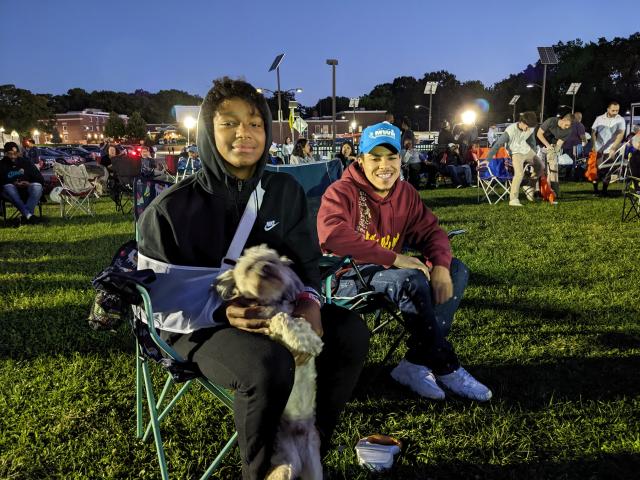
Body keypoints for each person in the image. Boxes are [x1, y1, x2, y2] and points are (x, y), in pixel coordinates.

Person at [137, 77, 369, 480]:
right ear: (209, 131)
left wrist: (311, 300)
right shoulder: (169, 210)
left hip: (277, 309)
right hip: (195, 324)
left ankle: (307, 448)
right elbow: (155, 302)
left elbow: (305, 259)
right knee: (268, 363)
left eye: (255, 124)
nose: (244, 133)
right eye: (229, 123)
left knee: (349, 331)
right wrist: (223, 311)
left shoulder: (284, 190)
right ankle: (263, 471)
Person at [317, 122, 491, 402]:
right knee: (410, 280)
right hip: (346, 277)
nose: (384, 166)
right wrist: (395, 258)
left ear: (401, 158)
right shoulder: (341, 192)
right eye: (375, 158)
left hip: (390, 275)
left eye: (391, 157)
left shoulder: (405, 193)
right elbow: (334, 235)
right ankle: (446, 365)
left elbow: (432, 232)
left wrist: (441, 266)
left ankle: (415, 363)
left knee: (457, 270)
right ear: (360, 160)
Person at [486, 111, 542, 207]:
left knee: (540, 166)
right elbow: (498, 144)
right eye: (527, 127)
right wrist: (488, 158)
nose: (528, 129)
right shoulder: (510, 131)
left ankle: (529, 186)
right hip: (515, 152)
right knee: (519, 173)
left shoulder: (530, 127)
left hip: (526, 149)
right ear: (522, 122)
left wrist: (533, 153)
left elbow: (532, 140)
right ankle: (513, 199)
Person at [1, 141, 44, 224]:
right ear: (5, 153)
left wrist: (28, 183)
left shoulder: (26, 162)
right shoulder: (2, 164)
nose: (13, 156)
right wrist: (14, 183)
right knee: (9, 187)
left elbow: (39, 178)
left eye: (15, 153)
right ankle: (29, 216)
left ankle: (26, 216)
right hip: (10, 192)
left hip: (27, 189)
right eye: (10, 154)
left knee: (37, 186)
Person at [591, 101, 626, 196]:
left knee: (609, 169)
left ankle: (604, 190)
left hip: (611, 148)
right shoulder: (599, 119)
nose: (615, 112)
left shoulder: (620, 120)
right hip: (599, 147)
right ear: (608, 109)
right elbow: (593, 132)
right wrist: (594, 145)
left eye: (617, 110)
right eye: (613, 110)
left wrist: (614, 147)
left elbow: (621, 134)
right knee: (596, 169)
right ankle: (595, 190)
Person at [536, 112, 573, 198]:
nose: (567, 128)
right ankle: (537, 191)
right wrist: (547, 146)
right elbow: (539, 134)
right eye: (566, 125)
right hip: (540, 145)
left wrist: (554, 152)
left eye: (569, 126)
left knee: (553, 168)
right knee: (540, 169)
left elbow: (560, 143)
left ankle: (554, 191)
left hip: (552, 147)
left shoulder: (569, 130)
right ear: (563, 120)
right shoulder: (551, 121)